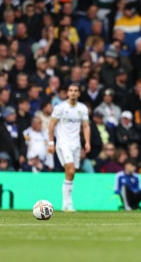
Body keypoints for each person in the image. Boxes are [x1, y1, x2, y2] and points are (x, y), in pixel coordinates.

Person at [48, 83, 91, 212]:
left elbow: (85, 126)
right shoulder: (60, 107)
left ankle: (65, 204)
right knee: (71, 170)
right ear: (67, 93)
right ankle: (68, 203)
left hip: (76, 144)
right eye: (70, 90)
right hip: (63, 143)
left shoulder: (82, 108)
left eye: (75, 91)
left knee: (71, 173)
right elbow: (51, 125)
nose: (73, 93)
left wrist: (87, 142)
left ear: (79, 93)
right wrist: (51, 143)